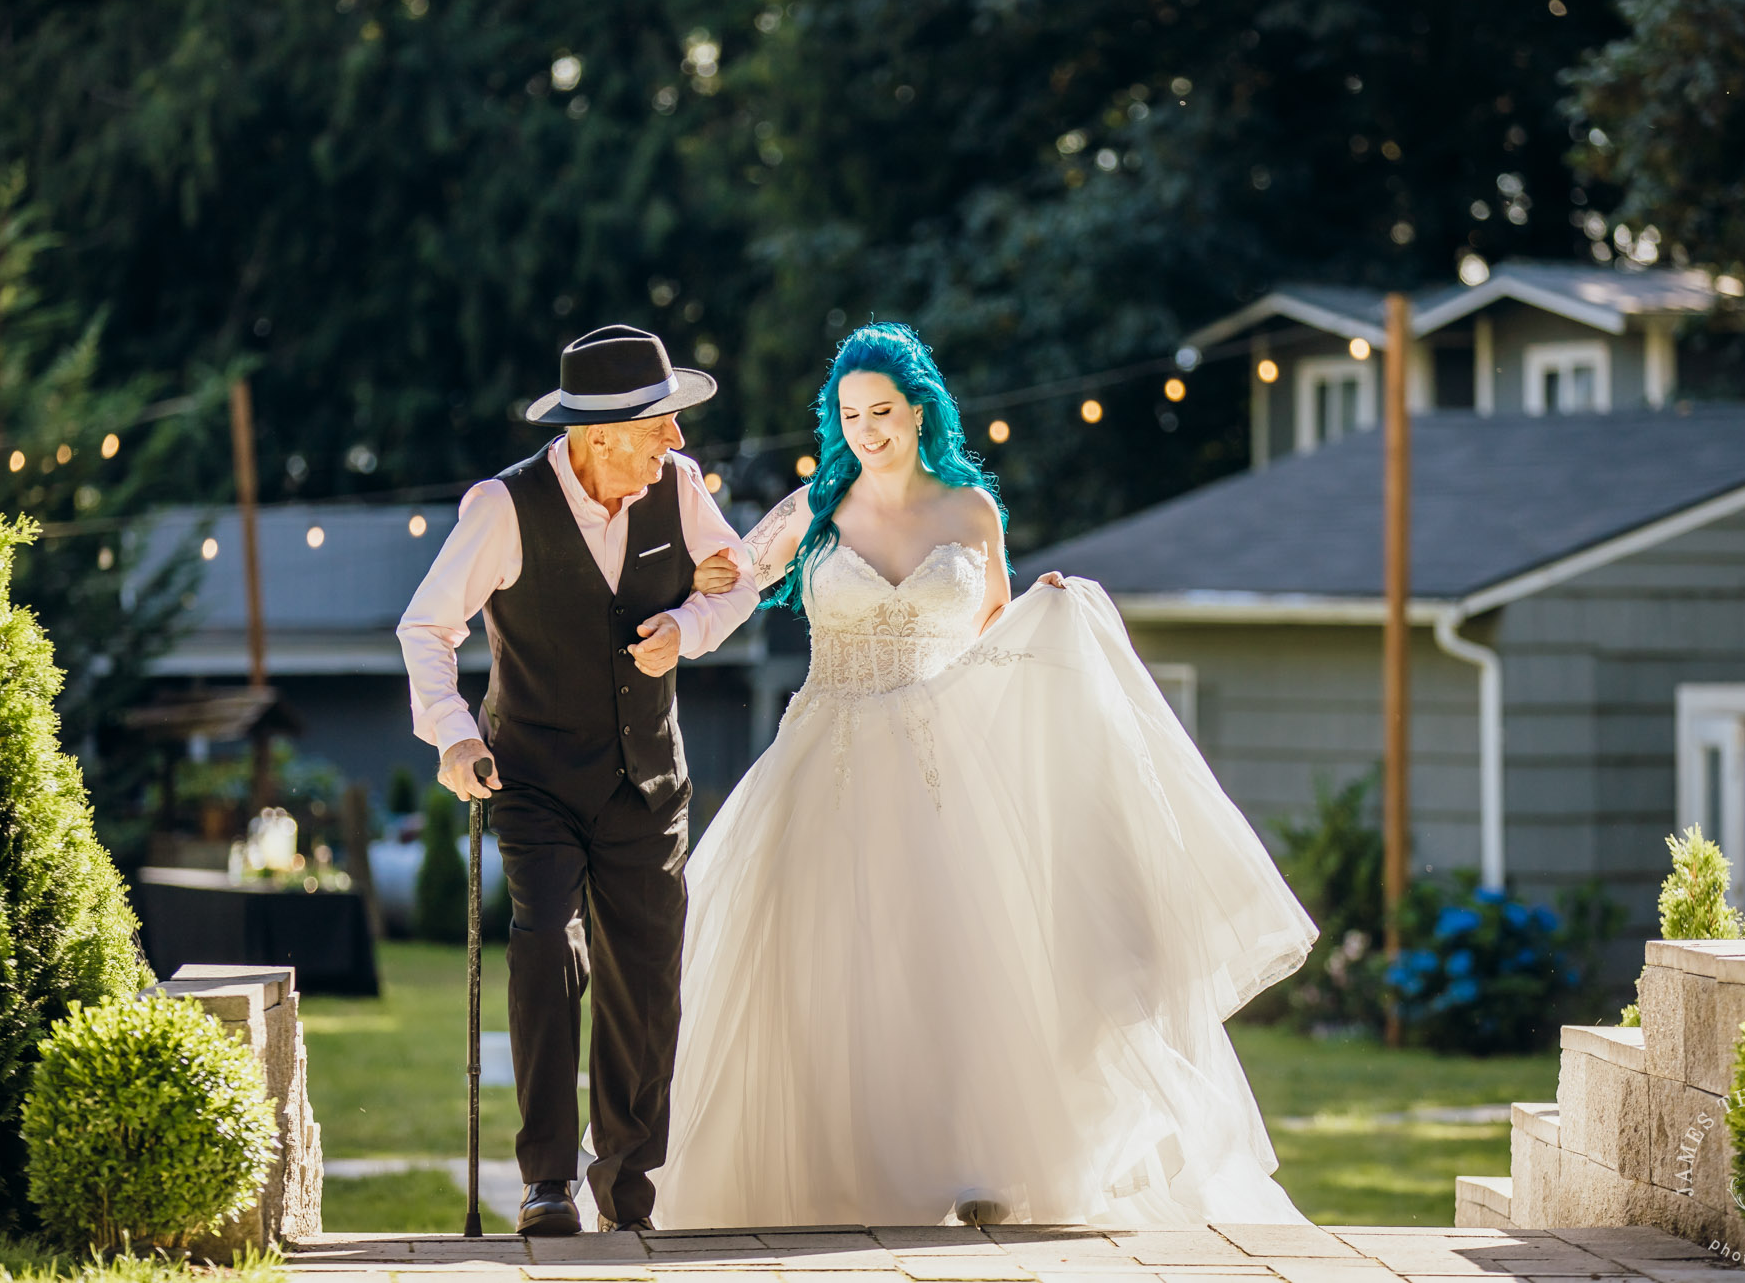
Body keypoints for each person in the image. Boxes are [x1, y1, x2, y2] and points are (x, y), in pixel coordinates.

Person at [654, 323, 1318, 1229]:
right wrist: (683, 607)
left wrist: (1048, 613)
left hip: (939, 773)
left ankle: (973, 1162)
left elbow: (994, 637)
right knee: (829, 973)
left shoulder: (971, 511)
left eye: (881, 411)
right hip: (827, 763)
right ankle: (841, 1171)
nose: (866, 430)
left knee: (956, 966)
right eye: (849, 414)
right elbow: (730, 579)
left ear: (919, 408)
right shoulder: (814, 510)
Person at [397, 325, 758, 1235]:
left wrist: (692, 623)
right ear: (602, 436)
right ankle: (547, 1180)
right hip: (535, 778)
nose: (678, 442)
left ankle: (627, 1187)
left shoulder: (676, 489)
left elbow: (740, 580)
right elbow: (426, 627)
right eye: (661, 426)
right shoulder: (503, 505)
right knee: (547, 951)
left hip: (648, 779)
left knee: (646, 983)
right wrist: (451, 737)